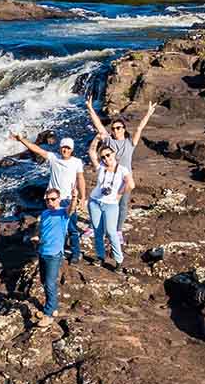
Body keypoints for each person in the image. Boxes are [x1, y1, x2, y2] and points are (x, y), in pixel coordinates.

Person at [85, 92, 157, 243]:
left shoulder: (130, 143)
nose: (116, 130)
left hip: (125, 178)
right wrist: (90, 108)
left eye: (119, 128)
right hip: (109, 176)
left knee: (122, 204)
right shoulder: (109, 141)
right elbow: (98, 126)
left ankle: (118, 231)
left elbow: (139, 129)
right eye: (114, 128)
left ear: (124, 129)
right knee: (102, 201)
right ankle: (94, 227)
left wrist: (149, 113)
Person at [11, 132, 86, 262]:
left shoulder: (77, 162)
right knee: (51, 227)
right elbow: (37, 149)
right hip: (52, 200)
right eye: (63, 147)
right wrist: (21, 139)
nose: (65, 150)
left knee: (72, 228)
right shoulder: (53, 157)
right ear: (60, 148)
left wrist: (83, 197)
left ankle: (75, 253)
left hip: (67, 199)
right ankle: (56, 251)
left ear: (72, 149)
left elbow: (81, 179)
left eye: (68, 148)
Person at [87, 135, 136, 271]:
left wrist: (119, 194)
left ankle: (119, 260)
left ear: (113, 154)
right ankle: (100, 256)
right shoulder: (101, 167)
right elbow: (91, 152)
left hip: (110, 205)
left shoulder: (122, 169)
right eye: (103, 157)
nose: (106, 159)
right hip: (95, 202)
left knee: (111, 232)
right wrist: (96, 139)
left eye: (108, 155)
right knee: (97, 231)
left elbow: (131, 184)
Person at [31, 187, 70, 327]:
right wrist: (36, 237)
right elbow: (41, 229)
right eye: (47, 199)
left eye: (53, 199)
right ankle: (52, 307)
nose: (50, 202)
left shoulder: (63, 212)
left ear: (59, 199)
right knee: (44, 281)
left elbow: (71, 209)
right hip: (43, 251)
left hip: (54, 254)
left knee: (50, 283)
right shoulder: (45, 213)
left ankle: (48, 315)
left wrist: (77, 197)